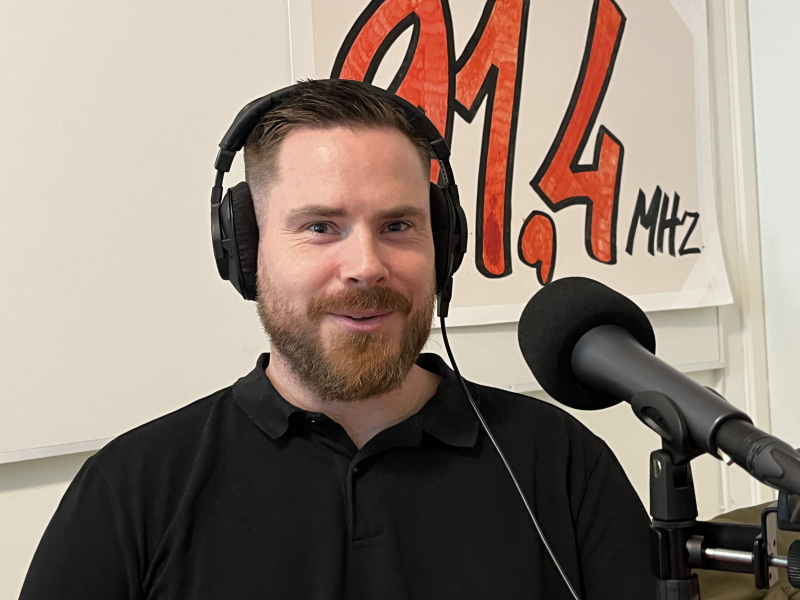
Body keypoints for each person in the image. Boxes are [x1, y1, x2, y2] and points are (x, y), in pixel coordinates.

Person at [19, 79, 655, 599]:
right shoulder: (131, 490)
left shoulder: (562, 465)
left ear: (443, 245)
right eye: (321, 227)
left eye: (398, 225)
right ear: (245, 251)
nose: (367, 267)